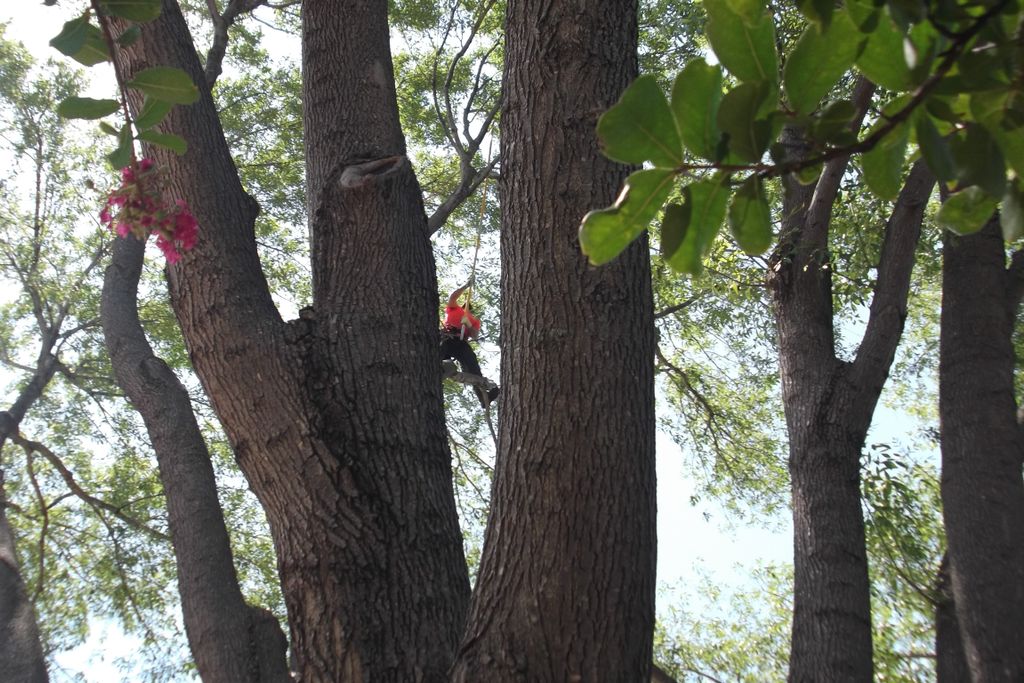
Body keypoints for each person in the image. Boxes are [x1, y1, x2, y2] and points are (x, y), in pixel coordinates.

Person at [441, 281, 499, 407]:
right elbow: (453, 297)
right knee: (440, 355)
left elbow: (474, 335)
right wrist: (466, 286)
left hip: (461, 342)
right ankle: (438, 369)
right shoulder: (454, 309)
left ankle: (484, 398)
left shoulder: (474, 321)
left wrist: (469, 324)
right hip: (447, 336)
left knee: (473, 367)